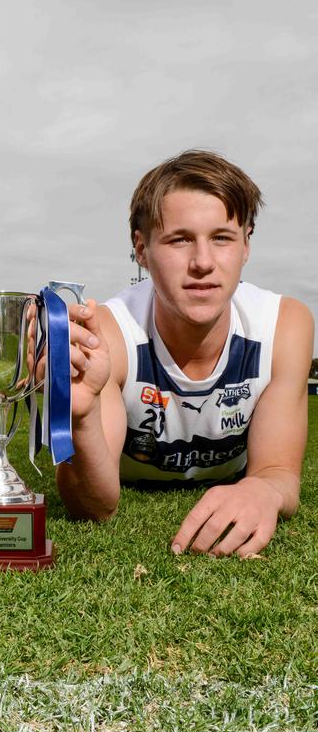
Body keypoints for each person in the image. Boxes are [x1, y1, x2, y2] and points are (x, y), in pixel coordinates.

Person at [60, 150, 314, 557]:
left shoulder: (285, 323)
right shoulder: (108, 331)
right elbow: (95, 505)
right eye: (180, 240)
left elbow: (279, 472)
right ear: (141, 250)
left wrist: (262, 489)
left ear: (246, 244)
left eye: (222, 238)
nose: (203, 262)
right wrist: (83, 417)